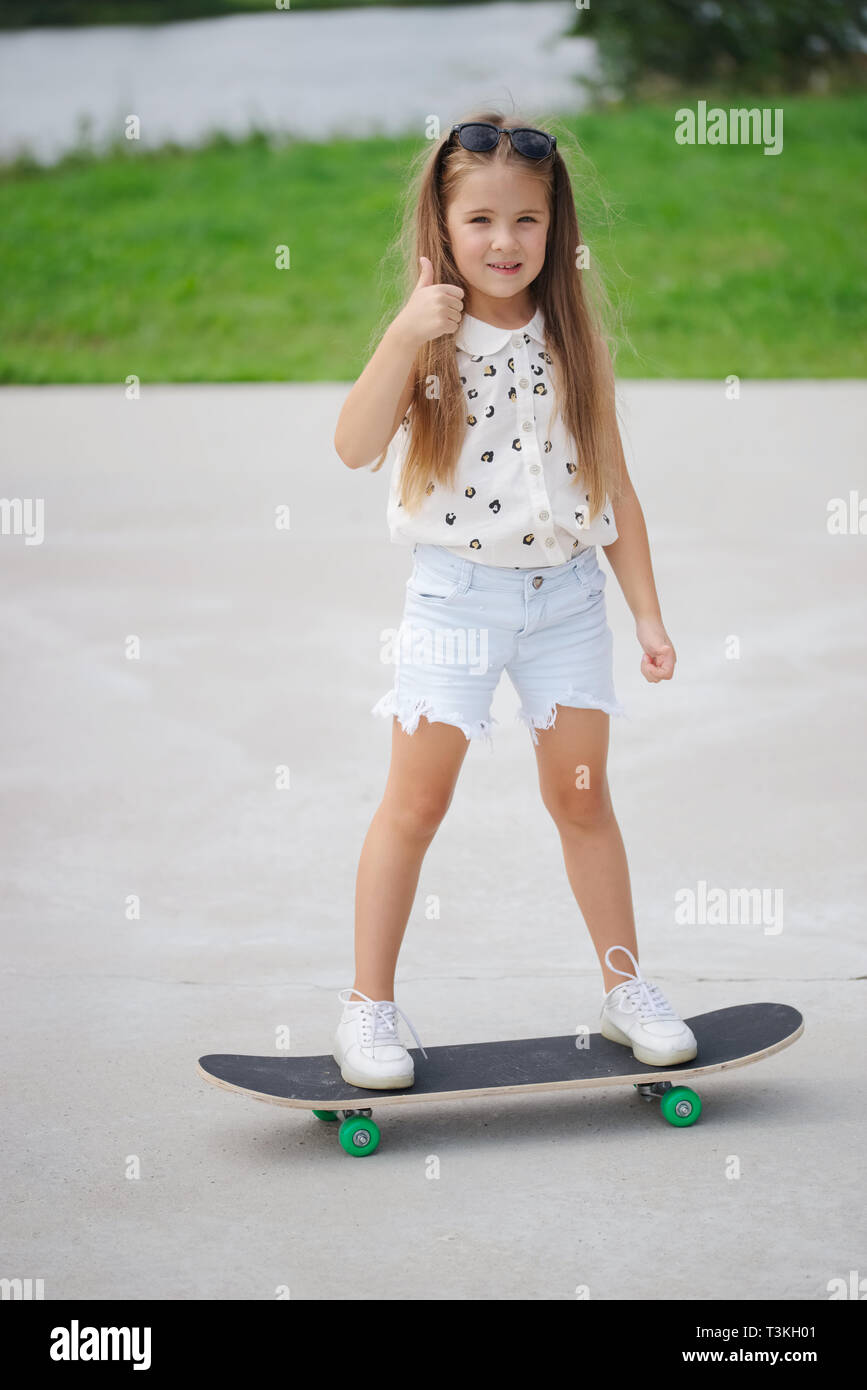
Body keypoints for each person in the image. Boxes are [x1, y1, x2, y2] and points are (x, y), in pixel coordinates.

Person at [332, 111, 697, 1089]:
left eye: (526, 220)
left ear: (555, 225)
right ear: (444, 228)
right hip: (456, 600)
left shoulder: (576, 340)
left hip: (570, 601)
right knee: (416, 801)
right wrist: (406, 330)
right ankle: (367, 1008)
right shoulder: (430, 338)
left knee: (583, 801)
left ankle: (627, 988)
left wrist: (647, 615)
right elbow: (354, 445)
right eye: (481, 220)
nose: (504, 242)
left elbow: (614, 489)